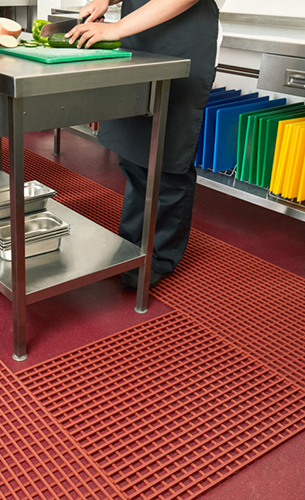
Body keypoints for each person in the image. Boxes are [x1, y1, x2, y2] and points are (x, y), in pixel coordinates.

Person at [67, 0, 225, 289]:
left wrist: (115, 28)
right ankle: (131, 244)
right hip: (140, 41)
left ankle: (158, 255)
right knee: (133, 152)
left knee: (169, 155)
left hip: (183, 43)